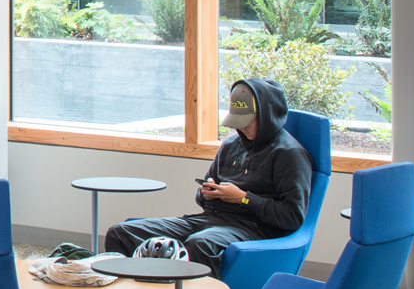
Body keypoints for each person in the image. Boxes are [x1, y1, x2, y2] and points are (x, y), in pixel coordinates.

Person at [102, 76, 314, 275]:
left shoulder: (289, 154)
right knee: (121, 233)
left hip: (253, 229)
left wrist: (244, 198)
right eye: (238, 121)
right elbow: (201, 199)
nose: (243, 127)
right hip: (210, 220)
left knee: (200, 244)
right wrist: (207, 193)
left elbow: (292, 216)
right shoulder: (231, 145)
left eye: (248, 121)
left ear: (267, 116)